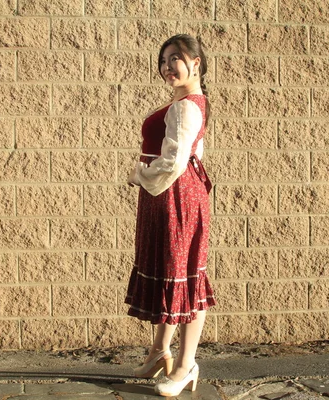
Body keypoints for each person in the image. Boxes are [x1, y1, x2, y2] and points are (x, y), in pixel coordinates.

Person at [125, 34, 216, 397]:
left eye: (175, 59)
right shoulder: (187, 102)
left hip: (174, 197)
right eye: (163, 60)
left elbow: (177, 162)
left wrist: (139, 175)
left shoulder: (185, 107)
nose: (167, 67)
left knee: (186, 278)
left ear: (196, 63)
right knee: (171, 273)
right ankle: (159, 352)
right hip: (172, 196)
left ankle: (185, 365)